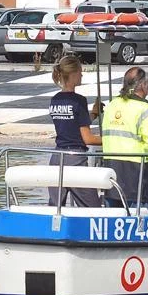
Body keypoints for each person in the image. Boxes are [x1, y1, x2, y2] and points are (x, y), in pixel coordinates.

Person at [101, 67, 148, 207]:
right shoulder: (145, 111)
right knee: (137, 223)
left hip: (110, 177)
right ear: (143, 85)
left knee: (111, 223)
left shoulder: (111, 106)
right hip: (135, 179)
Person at [48, 55, 102, 207]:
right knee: (93, 209)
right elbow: (88, 139)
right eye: (80, 72)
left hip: (57, 158)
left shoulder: (55, 100)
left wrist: (93, 115)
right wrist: (113, 139)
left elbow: (71, 124)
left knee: (55, 208)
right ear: (73, 74)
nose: (82, 75)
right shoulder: (79, 100)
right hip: (75, 159)